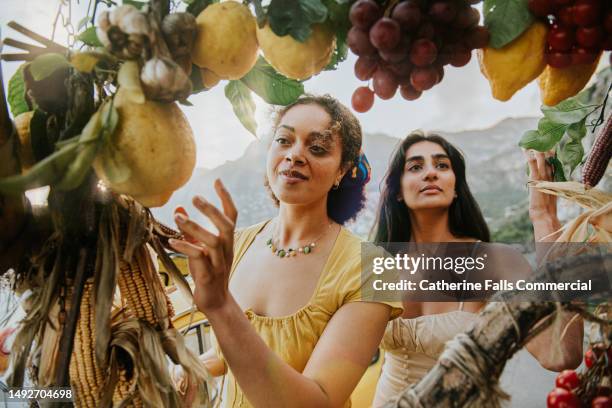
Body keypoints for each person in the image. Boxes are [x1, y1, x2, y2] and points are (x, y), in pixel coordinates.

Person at [169, 95, 403, 408]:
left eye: (316, 147)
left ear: (342, 171)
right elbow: (230, 352)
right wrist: (191, 368)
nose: (294, 155)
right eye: (284, 140)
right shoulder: (236, 245)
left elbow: (317, 400)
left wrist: (221, 306)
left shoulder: (372, 268)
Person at [371, 132, 583, 407]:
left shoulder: (493, 260)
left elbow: (561, 354)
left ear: (456, 186)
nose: (431, 173)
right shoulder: (379, 265)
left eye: (442, 165)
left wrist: (544, 218)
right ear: (398, 190)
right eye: (415, 166)